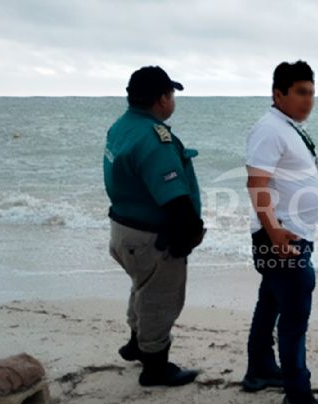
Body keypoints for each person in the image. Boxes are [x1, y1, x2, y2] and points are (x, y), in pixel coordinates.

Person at [103, 66, 205, 387]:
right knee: (161, 298)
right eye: (171, 93)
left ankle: (137, 343)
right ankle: (155, 367)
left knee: (142, 287)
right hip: (152, 236)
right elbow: (174, 198)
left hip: (123, 230)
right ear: (161, 99)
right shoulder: (154, 139)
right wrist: (189, 233)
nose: (173, 100)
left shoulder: (121, 127)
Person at [243, 60, 318, 404]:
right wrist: (275, 232)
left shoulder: (289, 126)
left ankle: (260, 369)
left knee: (271, 301)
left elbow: (285, 173)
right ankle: (298, 394)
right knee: (295, 316)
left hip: (289, 233)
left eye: (311, 92)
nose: (308, 100)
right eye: (300, 92)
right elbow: (256, 183)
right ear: (278, 93)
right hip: (281, 236)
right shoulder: (269, 129)